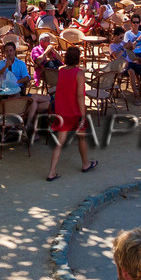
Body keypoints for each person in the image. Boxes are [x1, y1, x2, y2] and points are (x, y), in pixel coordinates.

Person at [46, 45, 96, 181]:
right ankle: (85, 163)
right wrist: (82, 114)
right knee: (81, 137)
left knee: (59, 142)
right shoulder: (79, 73)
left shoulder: (61, 70)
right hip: (74, 111)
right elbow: (80, 95)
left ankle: (52, 171)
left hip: (62, 110)